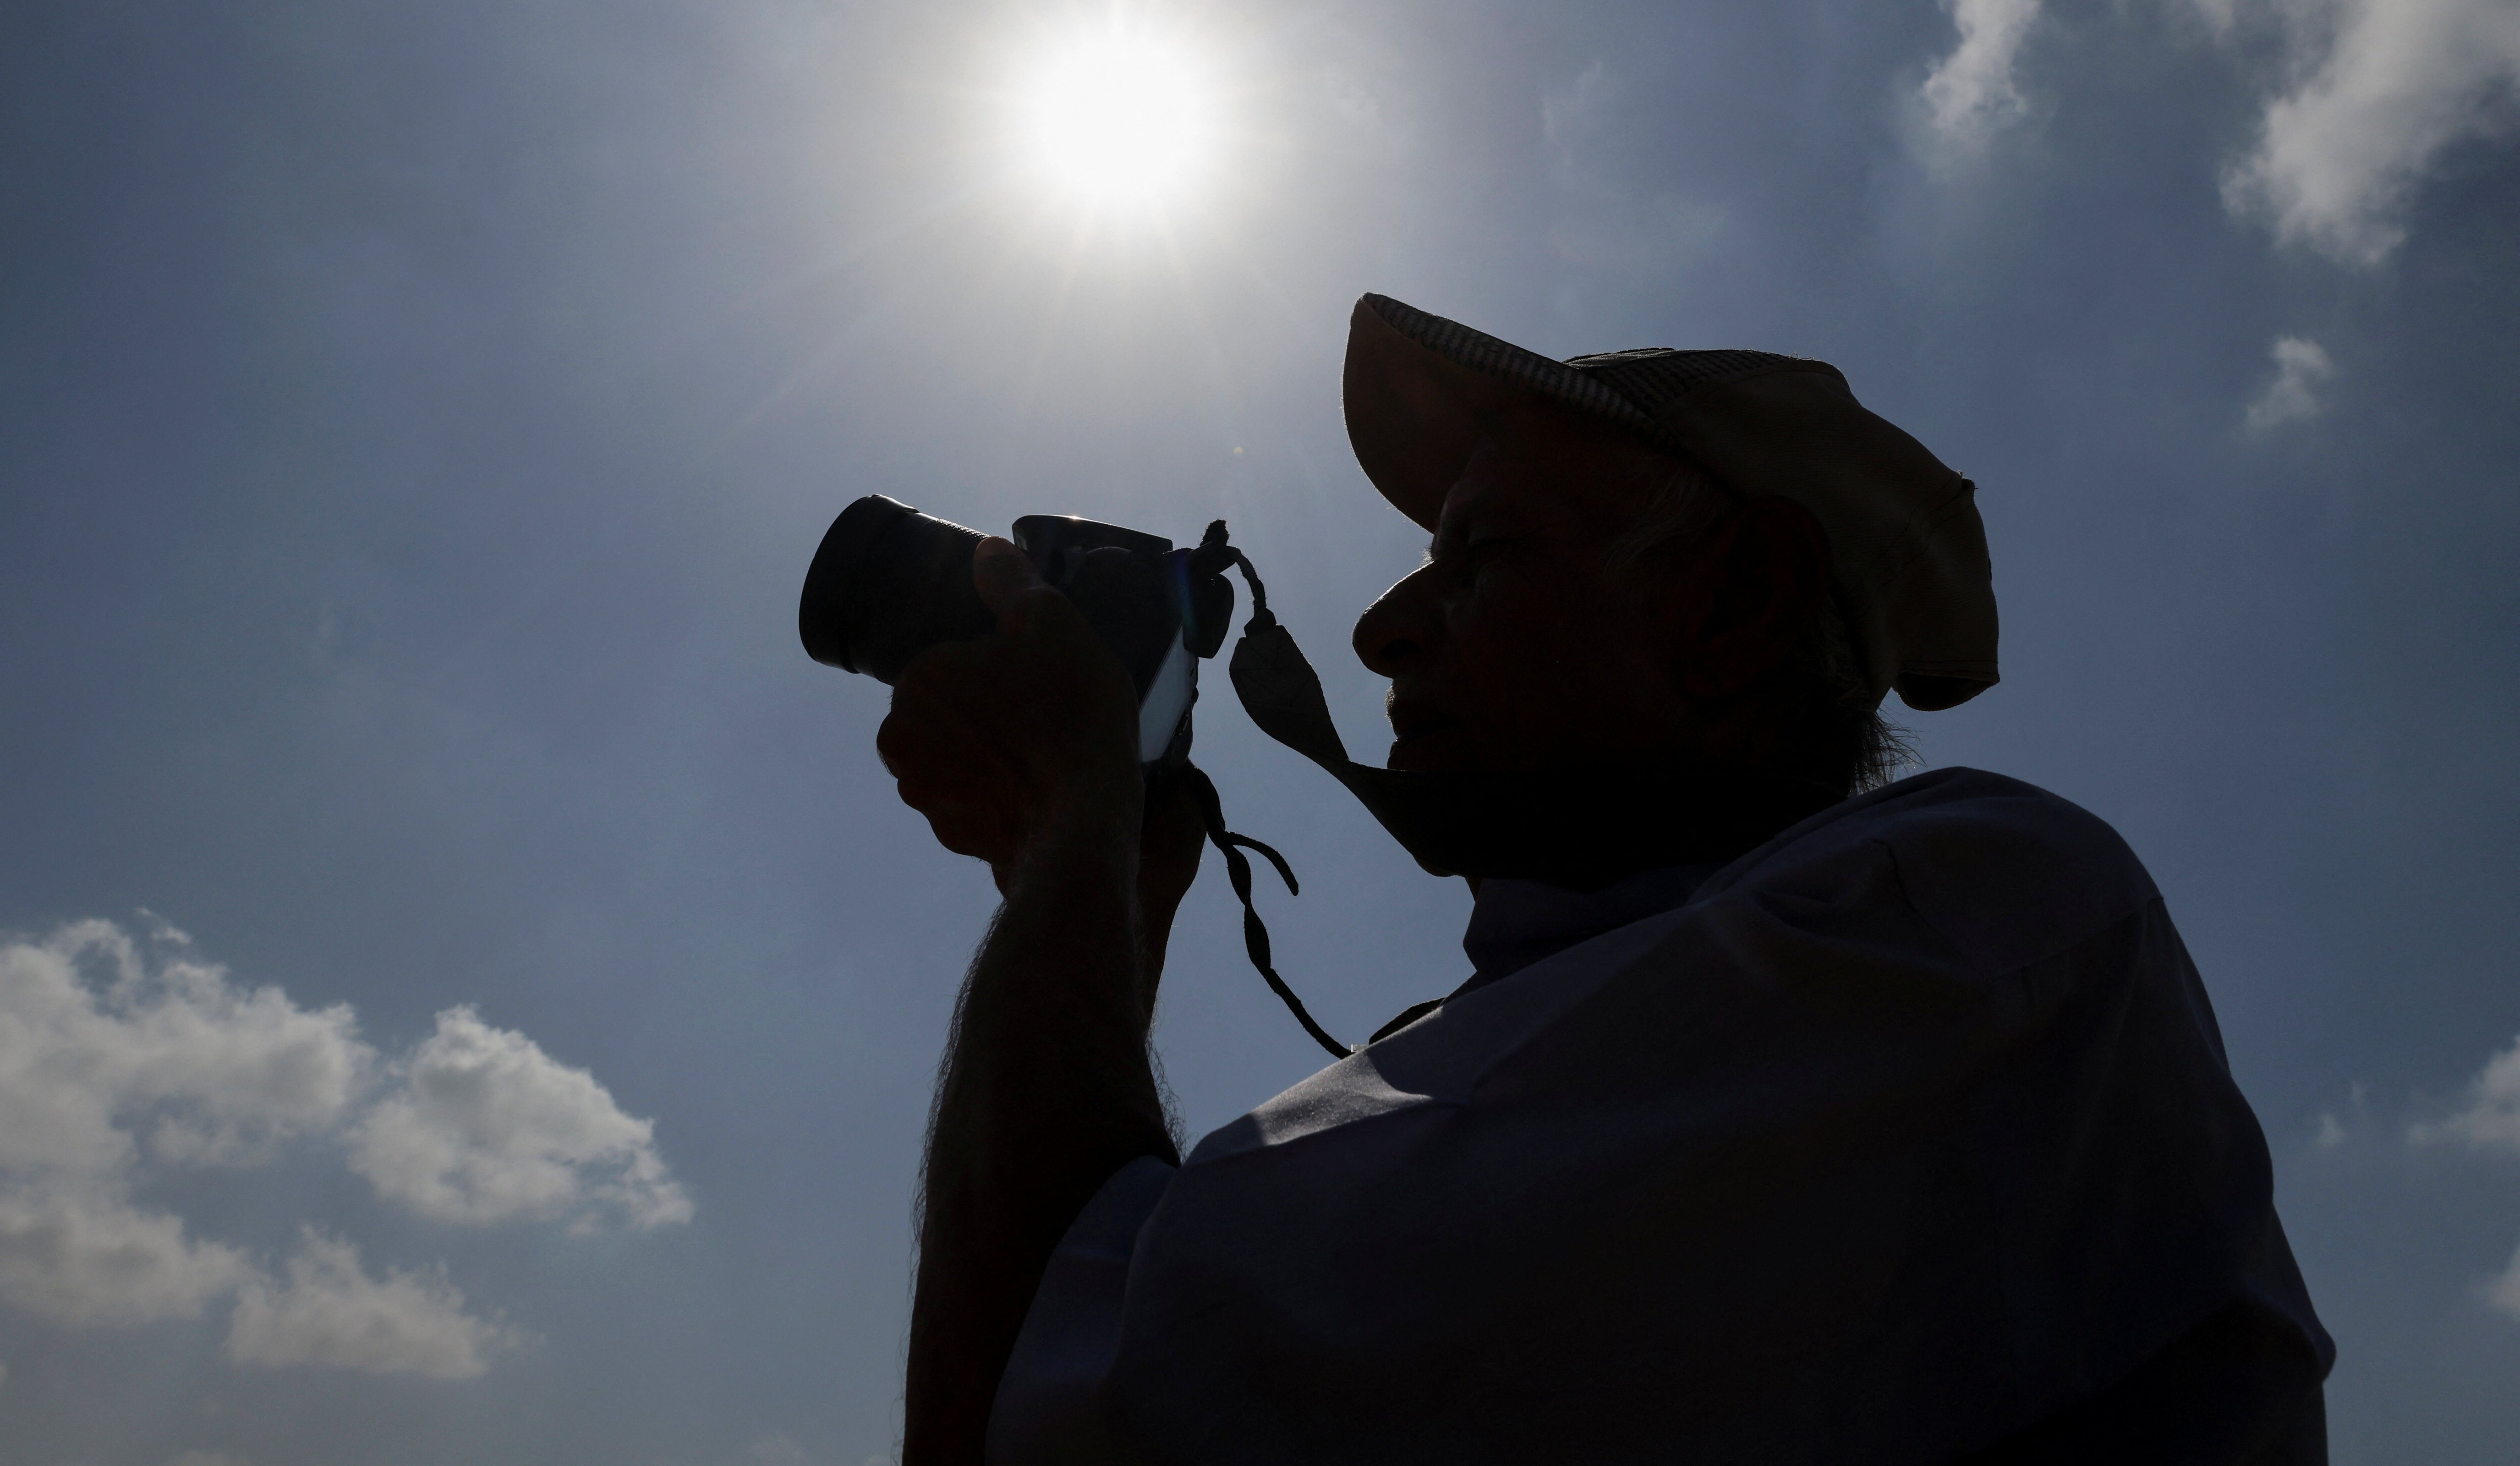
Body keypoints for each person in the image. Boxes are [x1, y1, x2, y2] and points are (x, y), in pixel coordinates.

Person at [874, 294, 2333, 1465]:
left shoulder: (1964, 923)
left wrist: (1069, 842)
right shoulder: (1587, 1026)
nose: (1381, 629)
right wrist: (1108, 878)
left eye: (1478, 550)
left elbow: (1044, 1409)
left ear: (1736, 602)